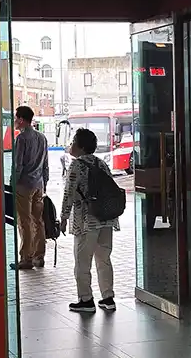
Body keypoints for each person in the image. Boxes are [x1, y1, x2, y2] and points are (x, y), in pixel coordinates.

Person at [60, 127, 117, 312]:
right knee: (104, 260)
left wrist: (63, 217)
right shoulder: (101, 164)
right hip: (106, 219)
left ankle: (86, 300)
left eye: (73, 142)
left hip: (86, 221)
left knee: (82, 262)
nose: (70, 145)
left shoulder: (76, 166)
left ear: (80, 146)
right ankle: (108, 298)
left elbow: (69, 194)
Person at [10, 106, 50, 271]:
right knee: (38, 221)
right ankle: (39, 257)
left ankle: (26, 258)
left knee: (24, 221)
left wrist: (13, 183)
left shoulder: (21, 139)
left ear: (20, 119)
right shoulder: (42, 138)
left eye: (15, 118)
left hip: (24, 186)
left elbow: (18, 166)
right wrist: (44, 183)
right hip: (38, 185)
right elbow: (45, 165)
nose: (14, 122)